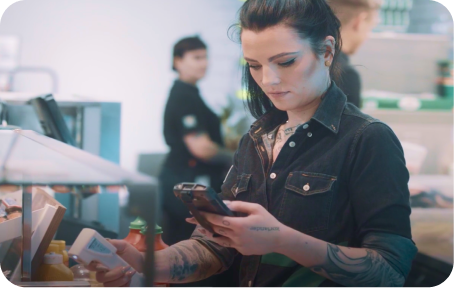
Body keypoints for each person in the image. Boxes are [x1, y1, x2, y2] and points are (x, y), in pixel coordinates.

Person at [89, 1, 417, 287]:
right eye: (255, 66)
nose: (268, 80)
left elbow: (389, 272)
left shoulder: (367, 139)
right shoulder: (256, 139)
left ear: (327, 51)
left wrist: (281, 239)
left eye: (286, 62)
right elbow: (214, 247)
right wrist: (144, 263)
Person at [159, 36, 233, 247]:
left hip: (185, 182)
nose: (205, 63)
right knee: (186, 248)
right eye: (197, 57)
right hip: (184, 184)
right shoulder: (184, 96)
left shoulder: (190, 93)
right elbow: (202, 148)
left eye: (206, 57)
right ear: (177, 61)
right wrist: (238, 159)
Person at [327, 0, 382, 108]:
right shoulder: (346, 75)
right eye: (371, 27)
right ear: (359, 22)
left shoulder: (301, 63)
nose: (367, 35)